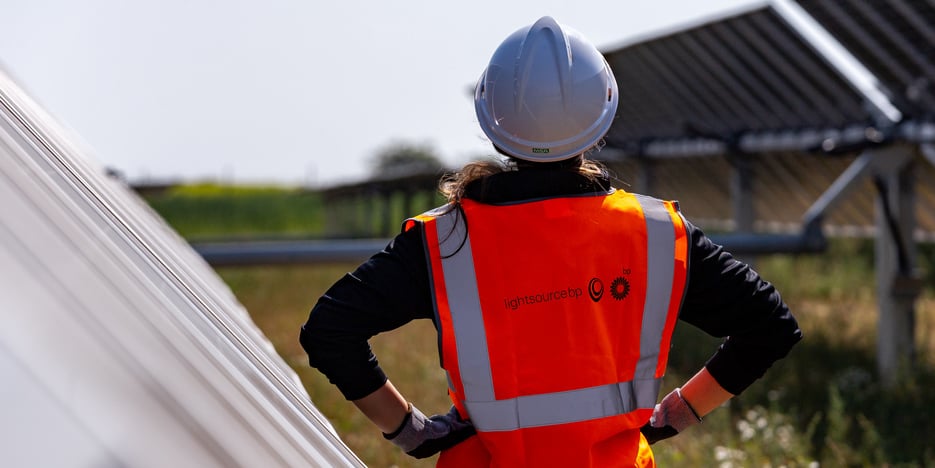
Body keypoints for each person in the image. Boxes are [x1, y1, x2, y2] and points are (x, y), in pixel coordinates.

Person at [300, 16, 802, 467]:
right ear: (599, 122)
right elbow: (771, 326)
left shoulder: (444, 239)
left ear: (493, 126)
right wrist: (683, 410)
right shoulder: (657, 232)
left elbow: (329, 329)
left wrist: (409, 430)